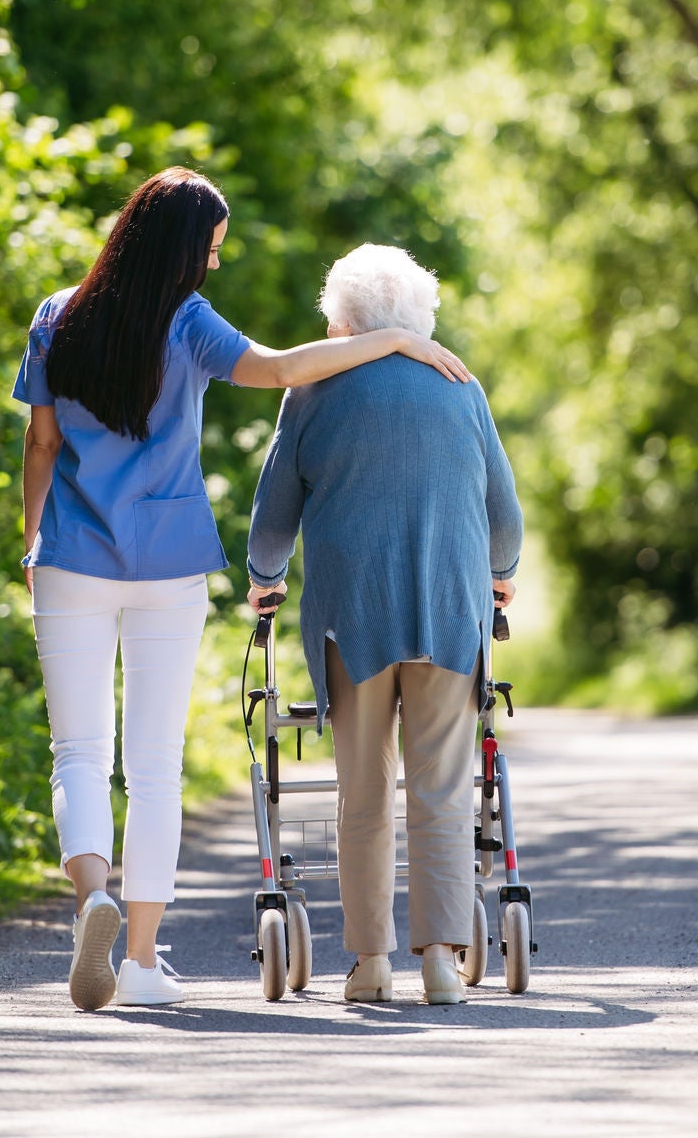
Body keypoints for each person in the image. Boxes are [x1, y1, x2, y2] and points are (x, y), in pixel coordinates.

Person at [16, 169, 472, 1012]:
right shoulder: (186, 323)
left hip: (71, 557)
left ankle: (93, 900)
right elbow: (282, 367)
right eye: (212, 250)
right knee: (154, 766)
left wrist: (30, 538)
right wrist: (396, 341)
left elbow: (41, 444)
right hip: (169, 564)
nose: (215, 267)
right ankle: (143, 961)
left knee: (78, 753)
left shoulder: (57, 315)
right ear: (183, 250)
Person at [244, 244, 522, 1006]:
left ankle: (370, 962)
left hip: (352, 618)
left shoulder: (312, 391)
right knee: (441, 785)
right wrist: (502, 574)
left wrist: (263, 582)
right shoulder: (460, 386)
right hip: (448, 607)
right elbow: (504, 512)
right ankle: (441, 957)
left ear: (348, 319)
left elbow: (273, 516)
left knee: (364, 790)